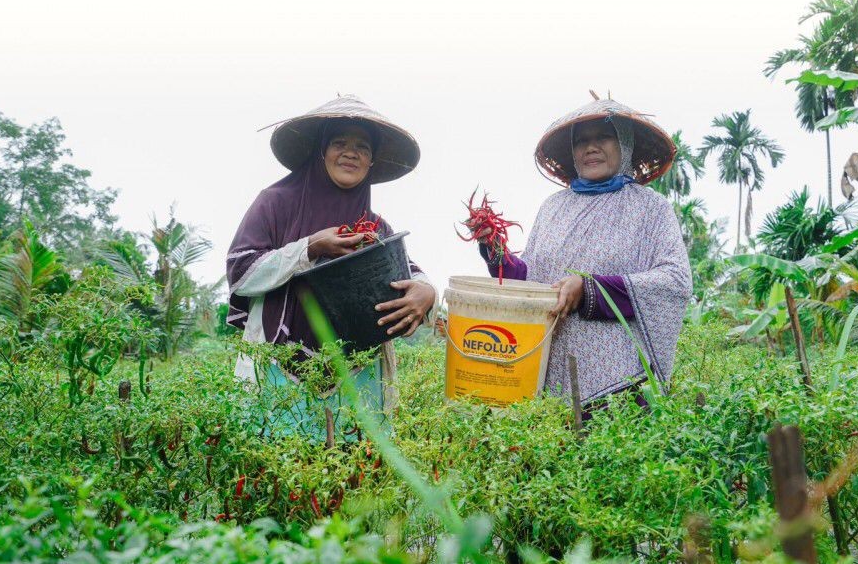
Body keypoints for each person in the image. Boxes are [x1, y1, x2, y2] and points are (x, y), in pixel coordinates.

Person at [226, 95, 436, 437]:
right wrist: (310, 247)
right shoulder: (275, 203)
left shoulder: (374, 226)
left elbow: (408, 271)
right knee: (278, 467)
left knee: (355, 472)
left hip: (358, 371)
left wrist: (426, 292)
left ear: (371, 162)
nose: (351, 152)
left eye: (363, 147)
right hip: (282, 364)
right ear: (321, 151)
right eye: (339, 142)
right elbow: (241, 272)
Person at [476, 94, 692, 413]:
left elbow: (674, 282)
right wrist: (495, 252)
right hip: (551, 373)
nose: (591, 147)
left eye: (604, 137)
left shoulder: (651, 208)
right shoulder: (553, 208)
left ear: (625, 145)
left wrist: (590, 288)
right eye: (582, 140)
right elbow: (532, 281)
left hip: (621, 383)